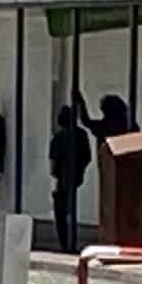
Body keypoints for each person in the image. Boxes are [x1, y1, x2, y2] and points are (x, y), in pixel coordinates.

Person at [49, 105, 91, 252]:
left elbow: (54, 158)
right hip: (76, 176)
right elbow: (87, 156)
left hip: (63, 177)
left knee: (61, 210)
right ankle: (70, 241)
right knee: (70, 208)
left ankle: (65, 242)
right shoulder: (81, 135)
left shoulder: (59, 136)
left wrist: (56, 172)